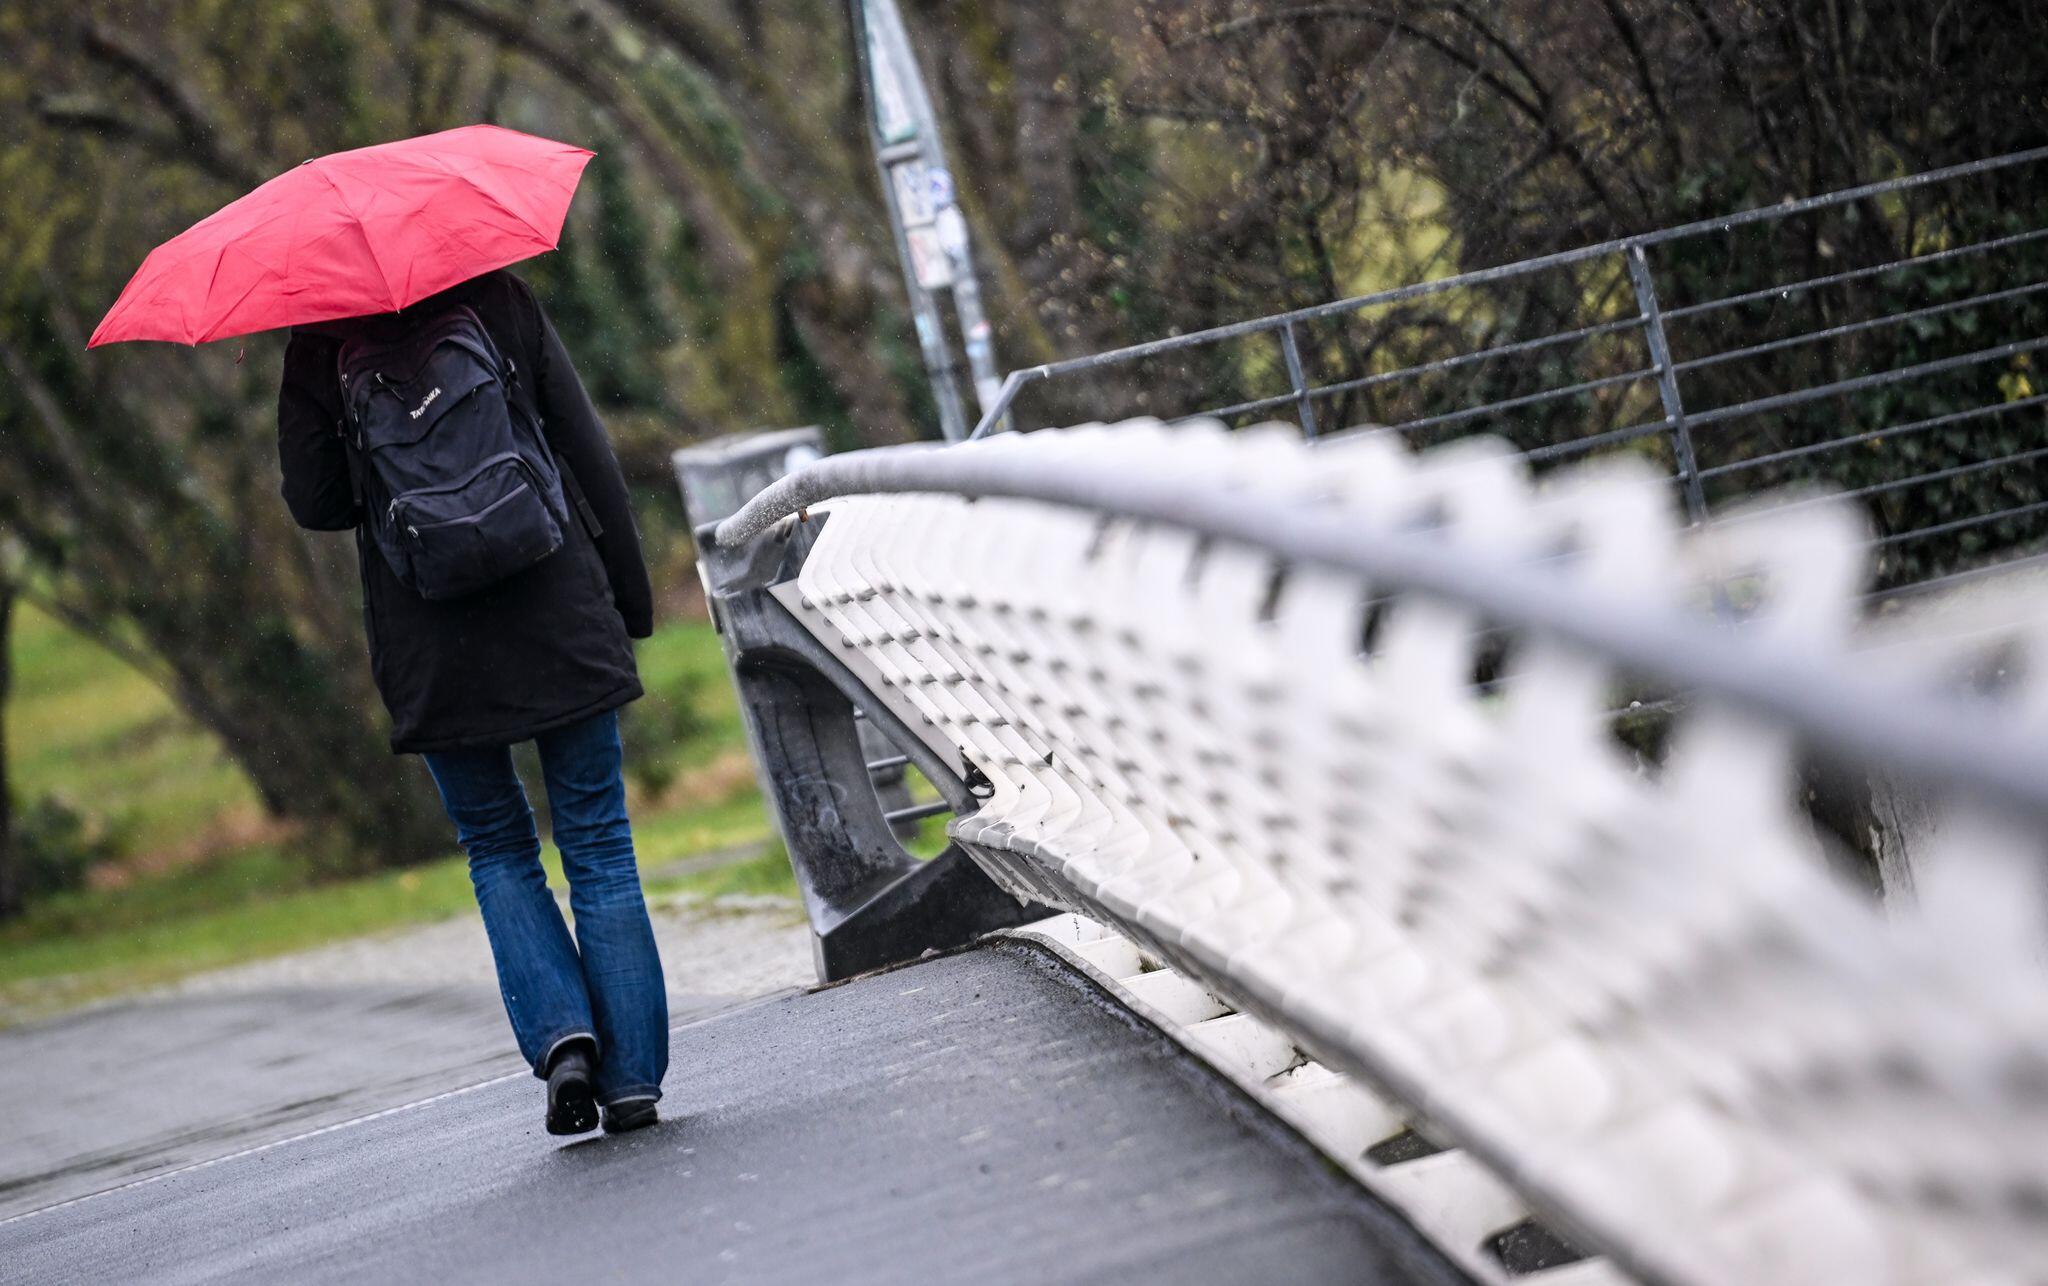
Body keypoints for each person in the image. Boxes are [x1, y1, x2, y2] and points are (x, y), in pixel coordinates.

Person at [276, 269, 667, 1137]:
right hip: (555, 601)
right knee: (598, 840)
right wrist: (630, 601)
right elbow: (584, 448)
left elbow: (317, 502)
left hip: (430, 631)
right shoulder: (497, 296)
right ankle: (634, 1077)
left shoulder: (319, 341)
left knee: (496, 848)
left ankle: (564, 1040)